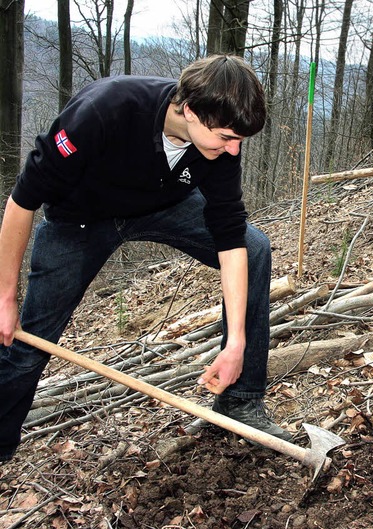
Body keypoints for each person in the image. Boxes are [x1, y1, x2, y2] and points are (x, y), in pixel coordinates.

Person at [0, 55, 292, 463]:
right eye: (226, 137)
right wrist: (5, 297)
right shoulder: (105, 111)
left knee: (254, 247)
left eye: (239, 140)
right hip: (81, 220)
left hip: (162, 204)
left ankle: (240, 402)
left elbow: (229, 237)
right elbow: (22, 201)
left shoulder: (223, 141)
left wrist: (237, 343)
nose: (234, 148)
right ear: (190, 110)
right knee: (27, 338)